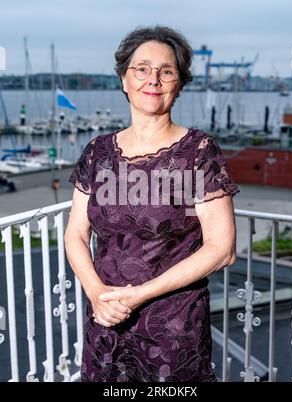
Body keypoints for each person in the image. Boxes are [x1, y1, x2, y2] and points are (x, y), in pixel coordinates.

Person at [65, 25, 239, 382]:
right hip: (106, 320)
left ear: (179, 84)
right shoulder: (97, 152)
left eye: (167, 71)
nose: (153, 79)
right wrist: (97, 294)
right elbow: (76, 235)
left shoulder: (198, 153)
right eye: (141, 69)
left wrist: (139, 295)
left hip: (172, 330)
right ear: (124, 80)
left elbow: (222, 249)